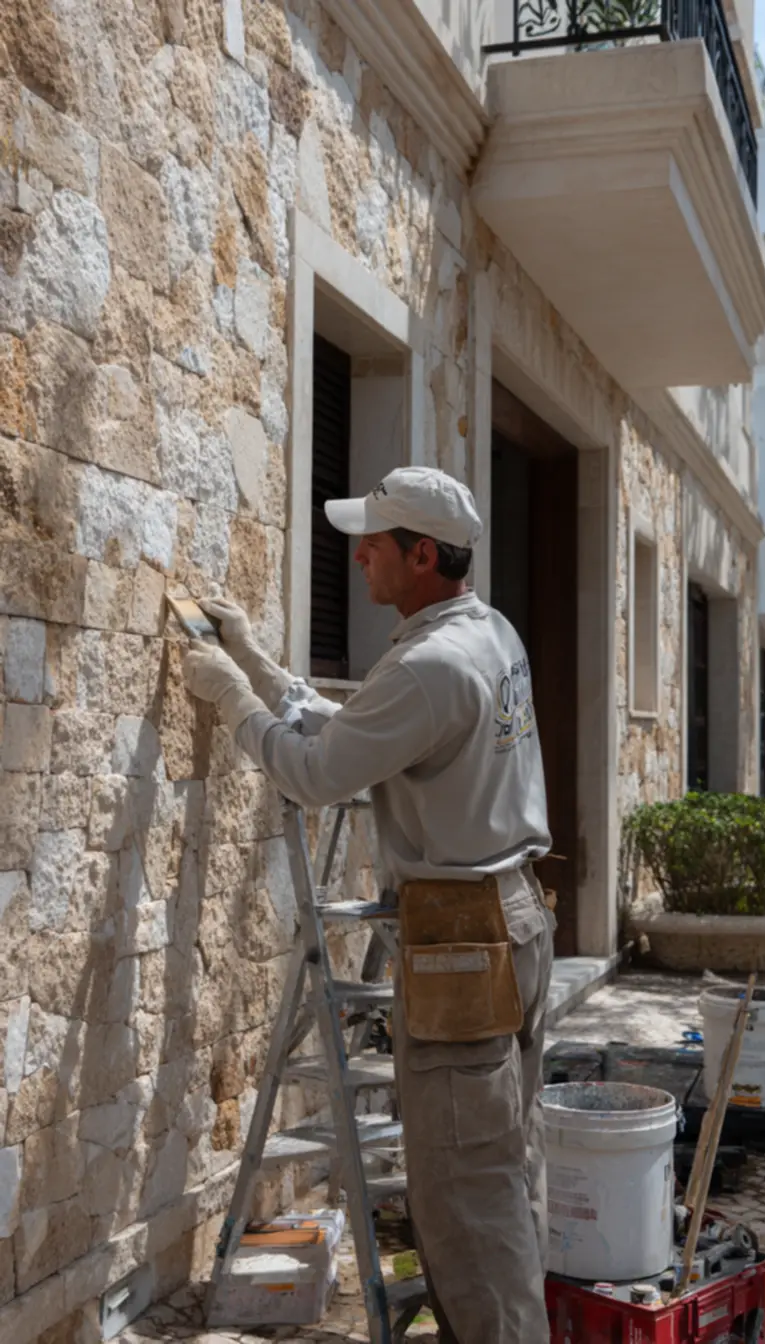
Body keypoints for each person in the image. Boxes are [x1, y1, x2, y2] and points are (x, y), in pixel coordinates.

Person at [183, 465, 555, 1344]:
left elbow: (318, 772)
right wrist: (263, 668)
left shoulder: (429, 666)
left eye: (374, 544)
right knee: (501, 1167)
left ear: (422, 555)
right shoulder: (485, 633)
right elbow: (371, 726)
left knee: (467, 1197)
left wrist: (234, 703)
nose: (358, 559)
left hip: (466, 948)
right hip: (517, 924)